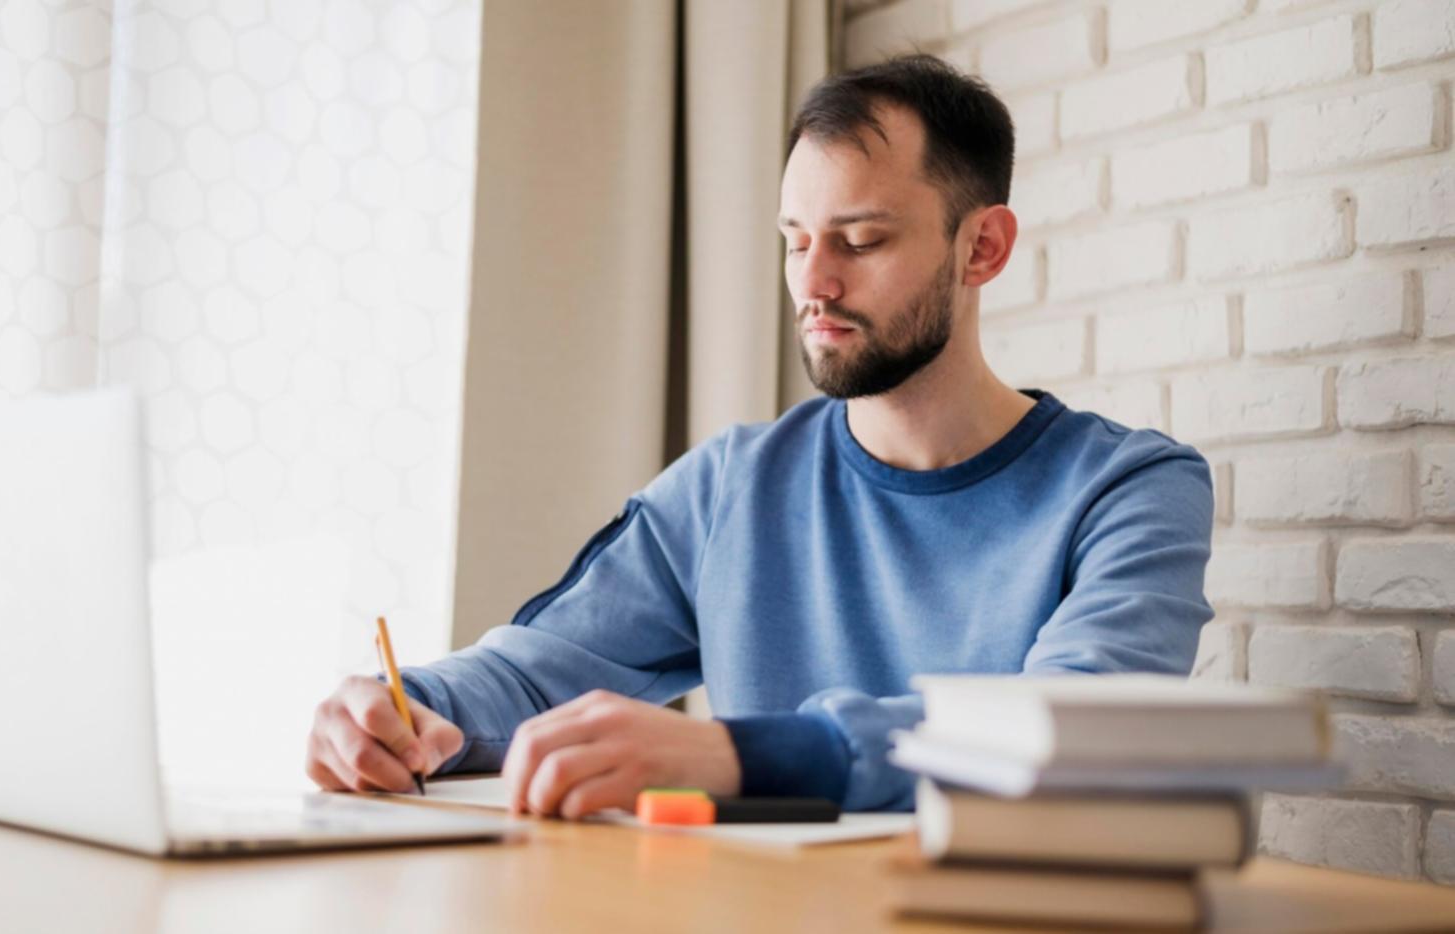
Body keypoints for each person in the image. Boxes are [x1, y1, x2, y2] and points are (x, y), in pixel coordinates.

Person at [305, 54, 1214, 818]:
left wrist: (741, 756)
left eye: (858, 241)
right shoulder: (730, 485)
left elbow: (1073, 729)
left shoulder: (1133, 489)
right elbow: (537, 672)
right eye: (794, 239)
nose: (812, 283)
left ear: (982, 249)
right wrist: (402, 709)